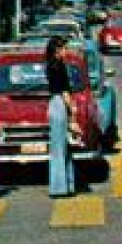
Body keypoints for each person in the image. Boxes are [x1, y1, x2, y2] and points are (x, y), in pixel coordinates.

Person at [44, 36, 76, 198]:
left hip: (55, 104)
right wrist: (73, 114)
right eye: (64, 48)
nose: (66, 51)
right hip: (59, 104)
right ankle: (58, 187)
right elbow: (64, 91)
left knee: (63, 146)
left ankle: (67, 184)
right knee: (58, 147)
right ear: (57, 50)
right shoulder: (58, 66)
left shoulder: (52, 65)